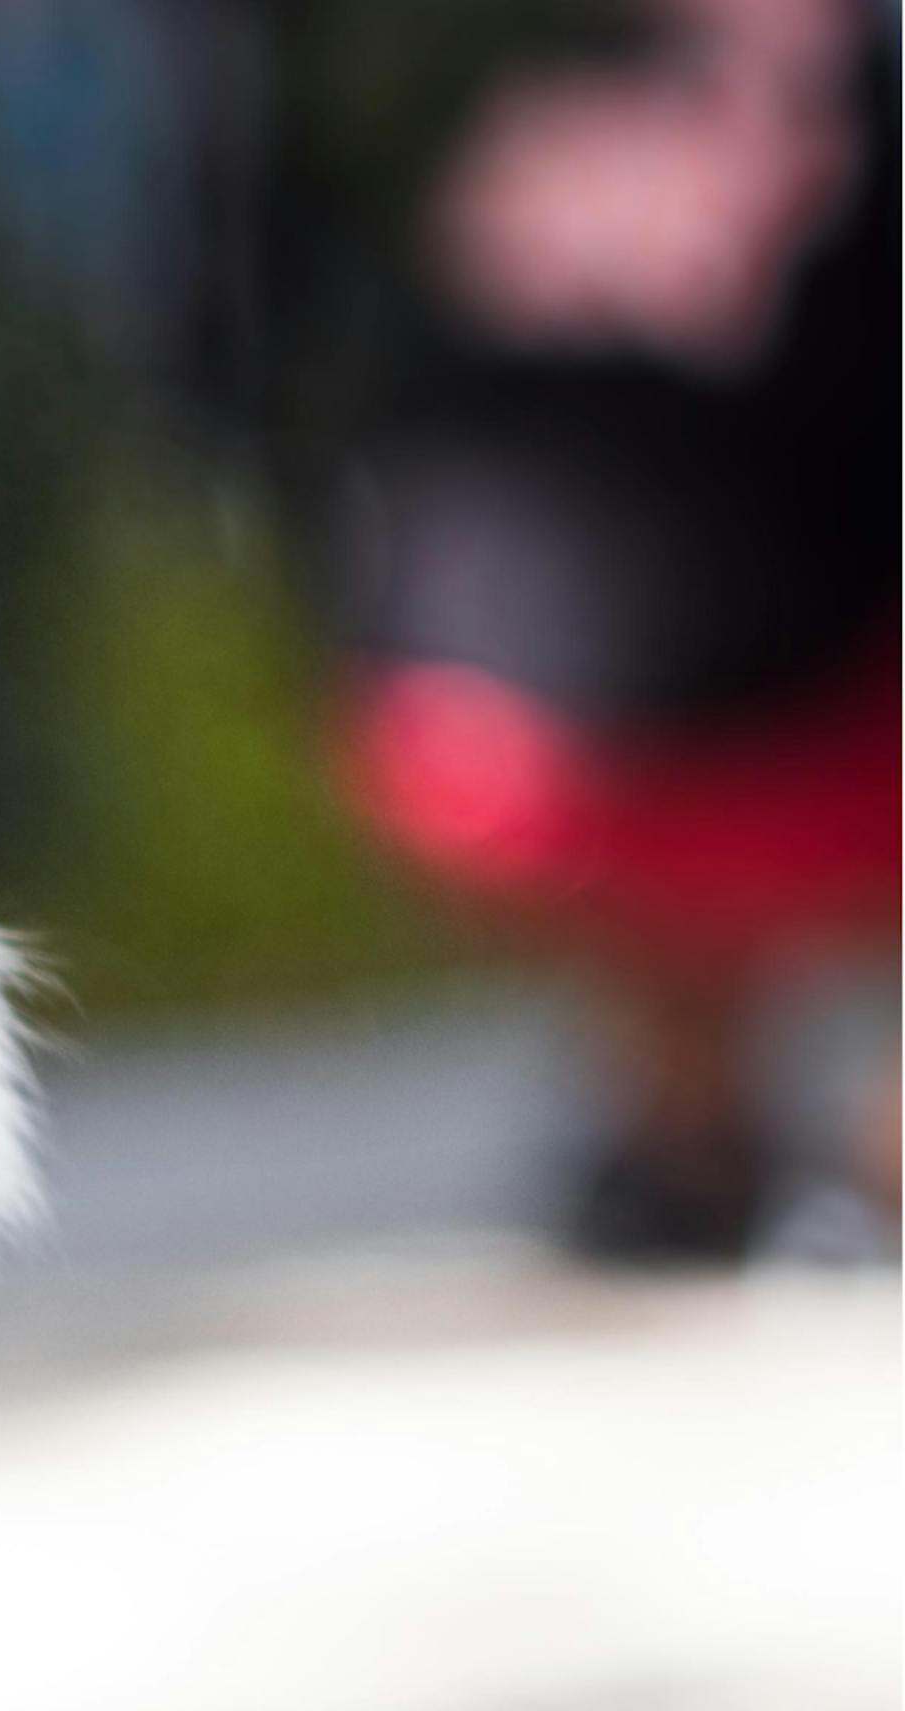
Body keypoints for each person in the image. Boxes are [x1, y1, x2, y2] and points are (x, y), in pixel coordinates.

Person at [336, 0, 896, 1259]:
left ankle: (696, 1134)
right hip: (686, 680)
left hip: (513, 688)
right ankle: (724, 1136)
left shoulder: (512, 69)